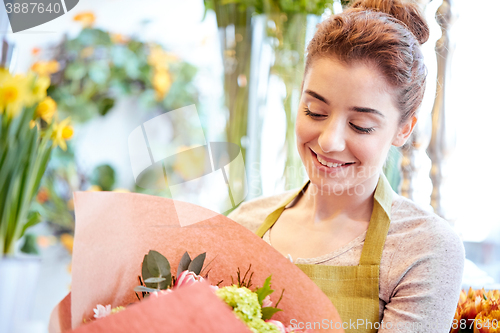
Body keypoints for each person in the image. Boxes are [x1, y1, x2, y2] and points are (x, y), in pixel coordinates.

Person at [227, 0, 465, 332]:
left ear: (403, 129)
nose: (329, 142)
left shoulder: (422, 247)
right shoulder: (242, 226)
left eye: (361, 125)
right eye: (314, 111)